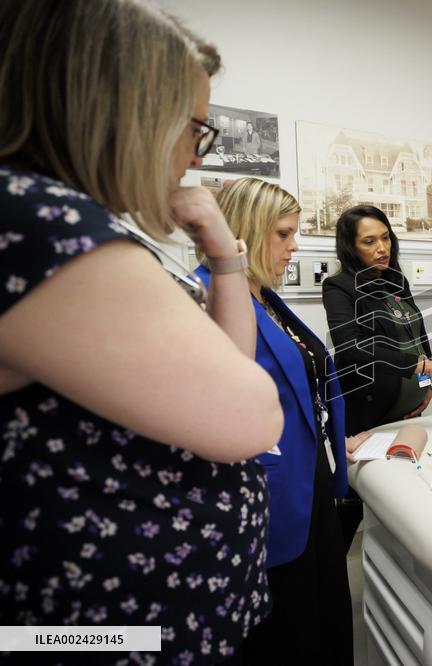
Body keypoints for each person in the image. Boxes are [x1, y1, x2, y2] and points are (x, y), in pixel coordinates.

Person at [0, 1, 285, 661]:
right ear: (118, 106)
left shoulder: (81, 223)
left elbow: (227, 362)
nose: (195, 152)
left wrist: (223, 253)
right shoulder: (46, 224)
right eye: (193, 128)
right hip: (99, 637)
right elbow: (250, 415)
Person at [198, 178, 364, 665]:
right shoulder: (212, 296)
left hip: (307, 480)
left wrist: (338, 442)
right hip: (269, 494)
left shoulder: (266, 297)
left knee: (325, 613)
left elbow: (304, 381)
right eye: (284, 234)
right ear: (247, 231)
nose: (295, 247)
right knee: (291, 630)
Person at [323, 205, 432, 435]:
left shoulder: (396, 280)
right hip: (371, 412)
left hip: (411, 412)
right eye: (369, 241)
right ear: (350, 247)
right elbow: (350, 347)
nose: (382, 248)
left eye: (386, 238)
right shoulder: (339, 287)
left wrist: (425, 386)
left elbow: (417, 339)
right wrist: (423, 367)